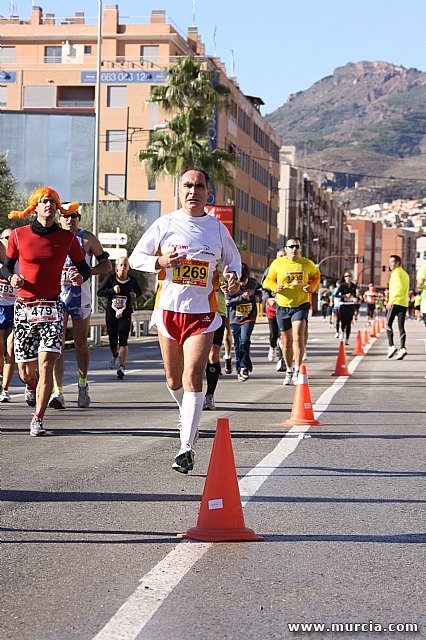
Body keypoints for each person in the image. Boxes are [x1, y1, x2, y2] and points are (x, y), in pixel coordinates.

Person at [128, 167, 241, 474]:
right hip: (168, 312)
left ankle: (186, 447)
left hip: (202, 315)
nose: (193, 191)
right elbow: (136, 258)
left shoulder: (217, 229)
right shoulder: (165, 224)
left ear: (208, 192)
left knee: (193, 376)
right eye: (188, 186)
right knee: (173, 380)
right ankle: (186, 414)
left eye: (199, 186)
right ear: (180, 191)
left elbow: (234, 262)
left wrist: (233, 279)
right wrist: (161, 261)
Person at [1, 187, 91, 436]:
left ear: (57, 207)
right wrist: (13, 278)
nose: (48, 205)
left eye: (52, 201)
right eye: (43, 201)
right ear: (35, 207)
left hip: (52, 307)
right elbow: (6, 268)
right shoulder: (18, 235)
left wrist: (77, 276)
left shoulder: (67, 238)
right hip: (24, 308)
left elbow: (84, 269)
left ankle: (38, 418)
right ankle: (31, 384)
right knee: (26, 371)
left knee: (47, 363)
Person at [49, 206, 112, 409]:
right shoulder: (53, 237)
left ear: (79, 218)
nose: (69, 220)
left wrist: (87, 273)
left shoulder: (87, 238)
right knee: (55, 344)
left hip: (80, 297)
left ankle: (82, 385)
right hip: (56, 297)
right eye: (65, 217)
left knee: (80, 343)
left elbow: (107, 266)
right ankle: (58, 392)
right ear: (59, 219)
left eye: (73, 216)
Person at [263, 237, 320, 385]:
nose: (294, 249)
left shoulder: (307, 264)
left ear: (300, 249)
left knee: (298, 335)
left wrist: (311, 288)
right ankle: (288, 370)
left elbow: (316, 276)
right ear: (286, 249)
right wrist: (276, 288)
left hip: (301, 305)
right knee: (286, 342)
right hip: (282, 306)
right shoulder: (277, 263)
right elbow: (267, 282)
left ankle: (297, 369)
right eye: (291, 246)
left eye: (297, 246)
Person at [97, 256, 142, 379]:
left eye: (125, 265)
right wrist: (112, 290)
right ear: (116, 267)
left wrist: (134, 294)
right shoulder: (111, 278)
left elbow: (139, 292)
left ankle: (122, 367)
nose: (123, 267)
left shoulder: (131, 280)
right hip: (111, 312)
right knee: (112, 339)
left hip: (125, 313)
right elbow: (100, 292)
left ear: (128, 268)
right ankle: (115, 354)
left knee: (123, 340)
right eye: (121, 265)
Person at [226, 263, 262, 381]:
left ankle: (244, 367)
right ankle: (240, 368)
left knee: (245, 340)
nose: (242, 284)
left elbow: (259, 290)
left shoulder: (253, 282)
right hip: (235, 318)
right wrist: (242, 298)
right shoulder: (231, 285)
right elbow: (228, 302)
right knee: (237, 344)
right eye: (239, 281)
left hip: (249, 317)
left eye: (244, 280)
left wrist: (258, 296)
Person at [0, 228, 16, 402]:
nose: (10, 240)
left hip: (14, 307)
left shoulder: (19, 260)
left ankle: (5, 389)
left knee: (10, 350)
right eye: (6, 237)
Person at [262, 248, 285, 365]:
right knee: (274, 334)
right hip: (273, 307)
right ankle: (272, 346)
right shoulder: (269, 270)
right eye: (279, 256)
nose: (281, 258)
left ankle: (283, 360)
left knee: (284, 334)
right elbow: (264, 288)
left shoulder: (290, 270)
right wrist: (268, 299)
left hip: (286, 307)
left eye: (283, 256)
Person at [386, 254, 409, 360]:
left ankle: (391, 346)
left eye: (392, 262)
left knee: (388, 324)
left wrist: (391, 301)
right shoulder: (405, 274)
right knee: (401, 326)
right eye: (390, 261)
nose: (390, 264)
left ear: (398, 263)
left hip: (395, 302)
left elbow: (398, 288)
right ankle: (403, 348)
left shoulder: (396, 273)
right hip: (404, 303)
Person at [335, 272, 357, 345]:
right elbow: (336, 295)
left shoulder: (353, 286)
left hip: (350, 305)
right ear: (344, 278)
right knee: (343, 321)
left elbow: (355, 295)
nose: (348, 277)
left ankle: (347, 339)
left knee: (349, 323)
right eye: (346, 276)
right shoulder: (342, 286)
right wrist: (344, 296)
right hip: (343, 305)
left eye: (349, 276)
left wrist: (355, 298)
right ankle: (342, 332)